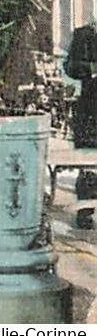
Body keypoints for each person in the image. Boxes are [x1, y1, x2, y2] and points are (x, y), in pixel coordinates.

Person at [66, 22, 97, 227]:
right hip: (91, 109)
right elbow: (70, 67)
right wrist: (93, 68)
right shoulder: (85, 33)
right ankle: (85, 212)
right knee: (89, 161)